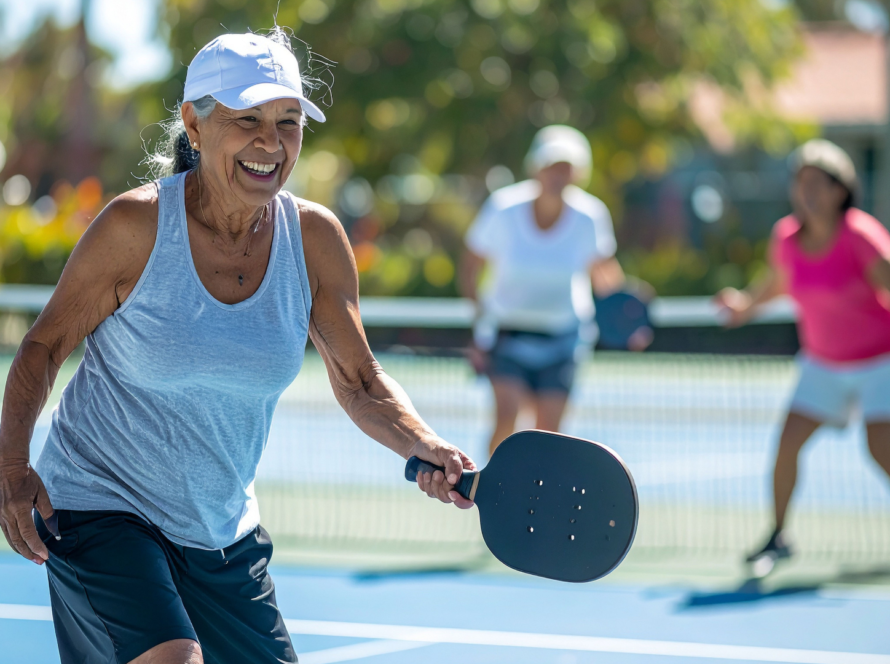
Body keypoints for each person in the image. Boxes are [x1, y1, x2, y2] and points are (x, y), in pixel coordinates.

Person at [0, 29, 474, 664]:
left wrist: (423, 443)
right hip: (100, 504)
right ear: (194, 125)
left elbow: (359, 380)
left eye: (288, 122)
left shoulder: (315, 240)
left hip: (220, 529)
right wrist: (11, 467)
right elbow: (42, 347)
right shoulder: (134, 227)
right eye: (247, 120)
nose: (271, 143)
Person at [715, 139, 890, 573]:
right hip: (822, 364)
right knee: (787, 445)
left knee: (880, 449)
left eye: (817, 183)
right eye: (800, 182)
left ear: (839, 190)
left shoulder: (860, 235)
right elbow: (779, 283)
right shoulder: (786, 237)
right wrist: (744, 307)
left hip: (879, 362)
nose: (806, 191)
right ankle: (778, 536)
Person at [459, 125, 638, 458]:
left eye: (566, 168)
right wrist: (480, 324)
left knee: (548, 435)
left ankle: (536, 493)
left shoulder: (590, 216)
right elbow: (470, 267)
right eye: (552, 166)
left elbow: (604, 276)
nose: (558, 175)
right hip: (507, 337)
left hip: (563, 339)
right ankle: (496, 485)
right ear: (536, 168)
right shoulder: (503, 208)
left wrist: (627, 319)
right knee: (506, 420)